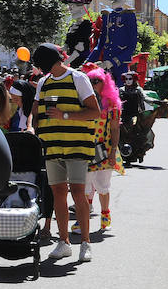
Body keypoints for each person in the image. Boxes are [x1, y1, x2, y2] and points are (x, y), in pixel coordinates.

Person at [32, 42, 102, 262]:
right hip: (52, 146)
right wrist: (33, 127)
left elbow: (95, 112)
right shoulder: (43, 83)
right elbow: (36, 112)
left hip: (77, 146)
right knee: (58, 193)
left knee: (78, 192)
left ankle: (85, 243)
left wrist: (64, 116)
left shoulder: (78, 79)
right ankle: (63, 242)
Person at [84, 66, 122, 230]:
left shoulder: (112, 105)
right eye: (90, 81)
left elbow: (115, 129)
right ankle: (83, 218)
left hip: (105, 150)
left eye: (96, 81)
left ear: (104, 82)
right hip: (85, 148)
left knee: (103, 184)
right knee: (84, 184)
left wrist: (113, 151)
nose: (93, 84)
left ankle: (105, 215)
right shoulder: (84, 102)